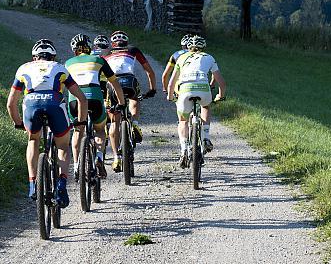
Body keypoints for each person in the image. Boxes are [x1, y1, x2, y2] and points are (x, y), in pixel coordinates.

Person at [7, 39, 88, 207]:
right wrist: (80, 122)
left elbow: (11, 103)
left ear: (34, 57)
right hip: (54, 104)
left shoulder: (23, 68)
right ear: (53, 56)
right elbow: (81, 98)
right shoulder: (59, 68)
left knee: (33, 140)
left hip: (31, 104)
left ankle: (32, 184)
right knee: (63, 146)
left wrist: (18, 123)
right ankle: (62, 185)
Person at [65, 34, 126, 180]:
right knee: (99, 130)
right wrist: (122, 103)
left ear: (74, 50)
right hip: (95, 98)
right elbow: (115, 83)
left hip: (75, 100)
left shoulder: (67, 63)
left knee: (78, 130)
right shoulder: (99, 60)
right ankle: (99, 157)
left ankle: (76, 164)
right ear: (90, 47)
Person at [166, 35, 226, 167]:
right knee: (205, 107)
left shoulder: (181, 58)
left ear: (188, 47)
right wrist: (221, 96)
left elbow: (171, 83)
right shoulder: (209, 57)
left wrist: (170, 97)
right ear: (203, 46)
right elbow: (221, 82)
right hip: (204, 89)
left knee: (183, 121)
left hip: (185, 90)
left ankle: (184, 150)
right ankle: (205, 137)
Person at [104, 30, 157, 173]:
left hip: (112, 84)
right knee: (135, 98)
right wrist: (152, 89)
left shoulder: (107, 52)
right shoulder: (133, 49)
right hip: (129, 80)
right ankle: (134, 124)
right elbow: (149, 71)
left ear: (113, 43)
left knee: (114, 121)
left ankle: (116, 157)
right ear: (126, 42)